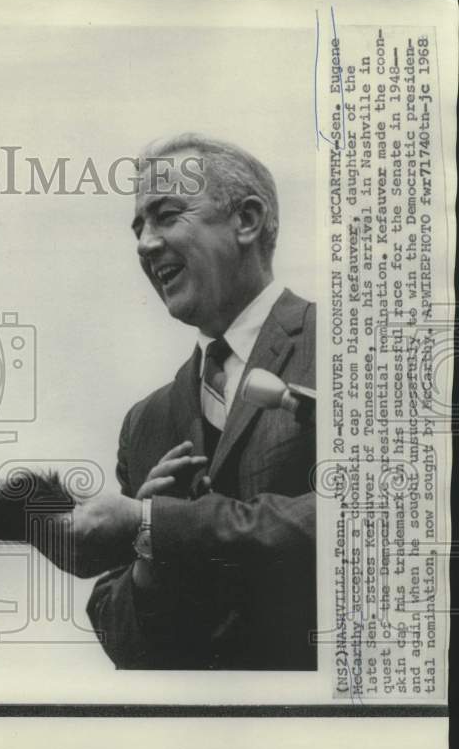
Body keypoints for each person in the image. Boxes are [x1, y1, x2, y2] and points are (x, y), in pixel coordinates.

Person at [59, 134, 316, 670]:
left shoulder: (353, 347)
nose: (145, 244)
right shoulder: (145, 421)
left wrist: (153, 524)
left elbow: (362, 522)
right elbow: (123, 645)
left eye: (167, 216)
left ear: (246, 220)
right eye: (138, 228)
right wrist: (151, 555)